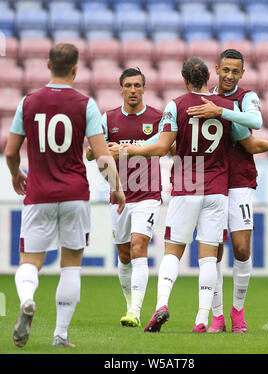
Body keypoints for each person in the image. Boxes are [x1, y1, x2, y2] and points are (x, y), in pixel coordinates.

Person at [109, 56, 268, 333]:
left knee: (173, 250)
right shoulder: (228, 106)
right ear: (211, 76)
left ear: (184, 80)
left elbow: (161, 145)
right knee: (208, 255)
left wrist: (126, 149)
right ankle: (203, 319)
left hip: (187, 184)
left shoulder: (177, 105)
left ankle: (162, 305)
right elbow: (248, 140)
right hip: (217, 186)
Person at [5, 43, 125, 348]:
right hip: (74, 194)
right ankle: (60, 334)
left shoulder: (28, 102)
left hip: (38, 193)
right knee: (71, 263)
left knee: (30, 262)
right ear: (75, 68)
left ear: (47, 64)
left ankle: (28, 300)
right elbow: (102, 158)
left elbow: (10, 151)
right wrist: (116, 187)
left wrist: (15, 173)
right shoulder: (86, 104)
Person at [186, 48, 268, 333]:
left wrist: (221, 112)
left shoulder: (246, 97)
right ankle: (217, 316)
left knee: (241, 249)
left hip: (238, 180)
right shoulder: (206, 99)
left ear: (242, 73)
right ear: (217, 69)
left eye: (235, 71)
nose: (229, 75)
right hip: (210, 182)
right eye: (225, 70)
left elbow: (256, 123)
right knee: (212, 252)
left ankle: (238, 309)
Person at [87, 68, 164, 328]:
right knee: (123, 255)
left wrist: (137, 149)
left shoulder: (157, 117)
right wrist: (100, 150)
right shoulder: (108, 119)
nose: (133, 90)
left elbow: (171, 148)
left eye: (137, 85)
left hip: (149, 194)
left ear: (144, 88)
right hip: (118, 195)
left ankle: (135, 311)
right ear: (120, 88)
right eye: (128, 85)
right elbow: (90, 154)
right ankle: (129, 302)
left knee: (139, 247)